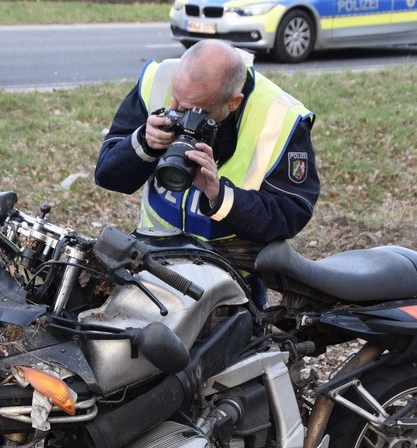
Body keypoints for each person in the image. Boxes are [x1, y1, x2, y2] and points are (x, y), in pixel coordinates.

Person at [94, 39, 320, 307]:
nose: (183, 113)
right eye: (178, 105)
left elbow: (289, 215)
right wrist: (144, 143)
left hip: (232, 281)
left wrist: (219, 195)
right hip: (154, 264)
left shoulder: (281, 118)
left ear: (234, 102)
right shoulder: (160, 80)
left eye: (200, 112)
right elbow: (107, 175)